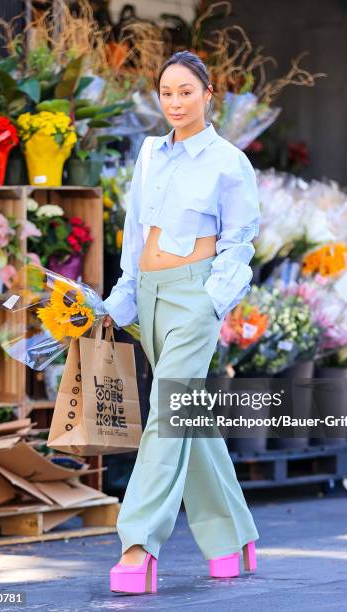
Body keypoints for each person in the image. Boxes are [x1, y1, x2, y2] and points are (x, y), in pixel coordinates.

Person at [102, 50, 260, 595]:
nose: (174, 102)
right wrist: (119, 302)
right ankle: (233, 537)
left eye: (185, 92)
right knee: (189, 414)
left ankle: (137, 544)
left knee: (167, 413)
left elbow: (241, 242)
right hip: (148, 297)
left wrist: (211, 302)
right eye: (166, 92)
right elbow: (134, 233)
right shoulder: (149, 155)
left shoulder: (228, 161)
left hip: (194, 298)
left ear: (207, 95)